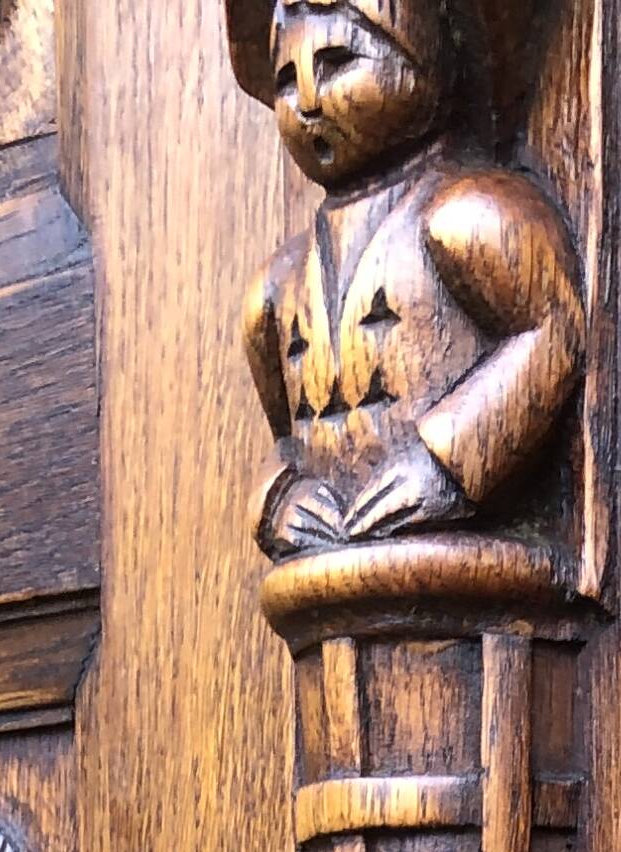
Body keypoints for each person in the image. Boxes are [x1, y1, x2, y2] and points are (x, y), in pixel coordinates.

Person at [232, 0, 583, 556]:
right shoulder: (275, 290)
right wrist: (278, 497)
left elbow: (549, 330)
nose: (309, 102)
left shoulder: (466, 215)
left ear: (431, 55)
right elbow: (284, 438)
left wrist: (447, 461)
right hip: (332, 585)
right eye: (286, 81)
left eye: (339, 61)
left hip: (463, 576)